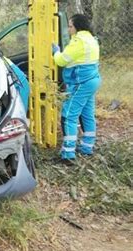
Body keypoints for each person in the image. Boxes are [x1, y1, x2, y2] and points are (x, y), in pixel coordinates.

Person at [52, 14, 101, 164]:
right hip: (92, 81)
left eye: (70, 26)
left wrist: (56, 51)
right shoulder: (92, 39)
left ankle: (68, 154)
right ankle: (87, 148)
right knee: (87, 114)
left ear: (77, 27)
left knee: (68, 115)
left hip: (81, 83)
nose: (68, 29)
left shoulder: (79, 41)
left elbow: (61, 60)